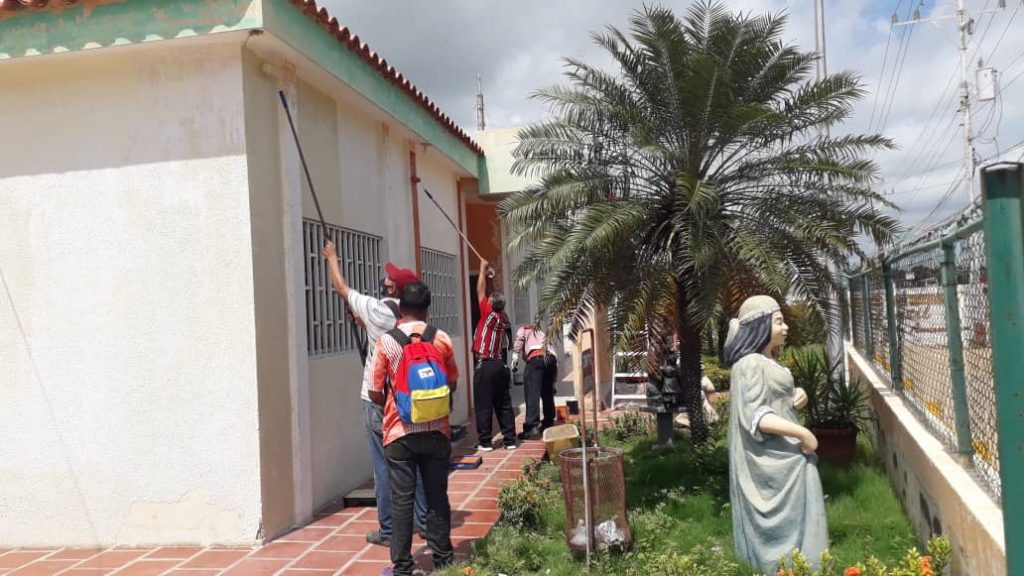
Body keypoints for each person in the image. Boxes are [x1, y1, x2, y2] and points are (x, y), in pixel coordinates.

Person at [323, 241, 427, 546]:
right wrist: (360, 321)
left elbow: (341, 287)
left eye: (390, 278)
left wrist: (332, 257)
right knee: (413, 462)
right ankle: (424, 521)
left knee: (383, 467)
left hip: (377, 402)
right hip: (407, 400)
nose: (386, 278)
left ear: (395, 289)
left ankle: (389, 530)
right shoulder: (413, 320)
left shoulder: (378, 310)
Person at [723, 295, 827, 572]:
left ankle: (804, 565)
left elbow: (774, 400)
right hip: (769, 457)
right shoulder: (750, 364)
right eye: (778, 322)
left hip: (787, 450)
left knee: (805, 506)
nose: (785, 327)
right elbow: (757, 417)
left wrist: (796, 395)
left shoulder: (767, 361)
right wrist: (803, 433)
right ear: (760, 326)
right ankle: (782, 566)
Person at [370, 282, 458, 576]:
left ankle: (404, 567)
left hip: (400, 433)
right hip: (437, 432)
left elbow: (374, 391)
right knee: (436, 498)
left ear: (400, 307)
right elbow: (452, 382)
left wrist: (396, 401)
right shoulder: (441, 338)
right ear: (427, 309)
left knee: (402, 500)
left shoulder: (386, 342)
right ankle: (444, 561)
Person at [471, 259, 517, 451]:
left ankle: (485, 442)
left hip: (487, 365)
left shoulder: (488, 315)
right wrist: (490, 277)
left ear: (490, 304)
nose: (487, 300)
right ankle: (510, 440)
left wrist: (481, 269)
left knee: (484, 404)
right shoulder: (502, 317)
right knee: (503, 403)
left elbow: (479, 292)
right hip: (500, 365)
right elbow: (490, 295)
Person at [511, 322, 558, 439]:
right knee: (547, 393)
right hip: (551, 360)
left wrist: (514, 358)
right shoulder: (541, 333)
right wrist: (553, 382)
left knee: (532, 394)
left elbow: (519, 339)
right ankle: (549, 422)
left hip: (536, 360)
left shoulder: (523, 329)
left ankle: (532, 427)